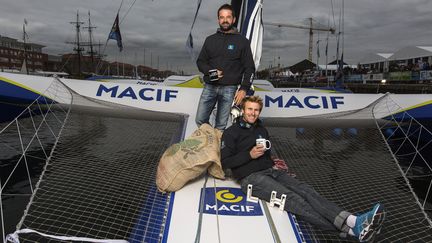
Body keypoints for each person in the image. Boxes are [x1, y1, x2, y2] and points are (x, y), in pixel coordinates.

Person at [221, 96, 386, 242]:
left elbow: (267, 155)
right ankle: (351, 230)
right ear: (242, 110)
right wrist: (249, 155)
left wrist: (268, 160)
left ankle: (354, 221)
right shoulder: (231, 133)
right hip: (251, 178)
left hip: (271, 171)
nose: (253, 113)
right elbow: (225, 161)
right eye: (249, 109)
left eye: (256, 110)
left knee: (307, 191)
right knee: (295, 200)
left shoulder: (261, 129)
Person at [196, 3, 255, 131]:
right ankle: (209, 141)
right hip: (210, 86)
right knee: (200, 119)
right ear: (218, 20)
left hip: (229, 89)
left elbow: (249, 67)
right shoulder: (210, 40)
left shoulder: (242, 41)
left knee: (221, 126)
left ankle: (215, 148)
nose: (225, 20)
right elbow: (200, 62)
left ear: (233, 19)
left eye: (228, 17)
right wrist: (210, 72)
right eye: (222, 17)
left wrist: (244, 88)